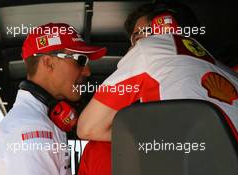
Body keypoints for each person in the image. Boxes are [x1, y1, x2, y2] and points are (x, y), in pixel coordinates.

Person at [77, 2, 238, 175]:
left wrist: (146, 134)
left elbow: (87, 128)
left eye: (142, 35)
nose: (134, 45)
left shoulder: (149, 49)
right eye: (135, 38)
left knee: (99, 147)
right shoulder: (230, 74)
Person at [0, 23, 106, 175]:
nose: (87, 71)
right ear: (48, 63)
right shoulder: (32, 129)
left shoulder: (36, 121)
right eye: (80, 60)